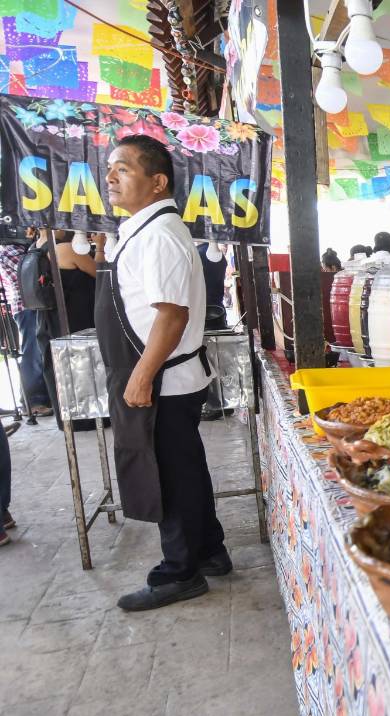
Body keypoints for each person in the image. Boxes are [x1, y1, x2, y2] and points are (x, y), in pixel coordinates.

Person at [99, 134, 227, 612]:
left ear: (157, 182)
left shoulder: (157, 235)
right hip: (162, 378)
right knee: (185, 469)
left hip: (162, 380)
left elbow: (170, 316)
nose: (110, 177)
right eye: (110, 168)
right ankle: (210, 552)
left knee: (170, 479)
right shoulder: (143, 229)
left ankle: (180, 572)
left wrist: (141, 375)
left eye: (123, 169)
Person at [35, 227, 100, 428]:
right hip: (76, 318)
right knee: (82, 365)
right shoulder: (64, 249)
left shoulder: (37, 247)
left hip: (51, 320)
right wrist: (100, 247)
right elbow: (101, 273)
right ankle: (89, 419)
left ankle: (71, 418)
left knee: (60, 367)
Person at [0, 234, 51, 415]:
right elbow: (31, 272)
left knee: (38, 351)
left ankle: (39, 398)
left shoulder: (16, 248)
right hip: (26, 305)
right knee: (33, 353)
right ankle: (34, 402)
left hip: (30, 304)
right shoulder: (9, 249)